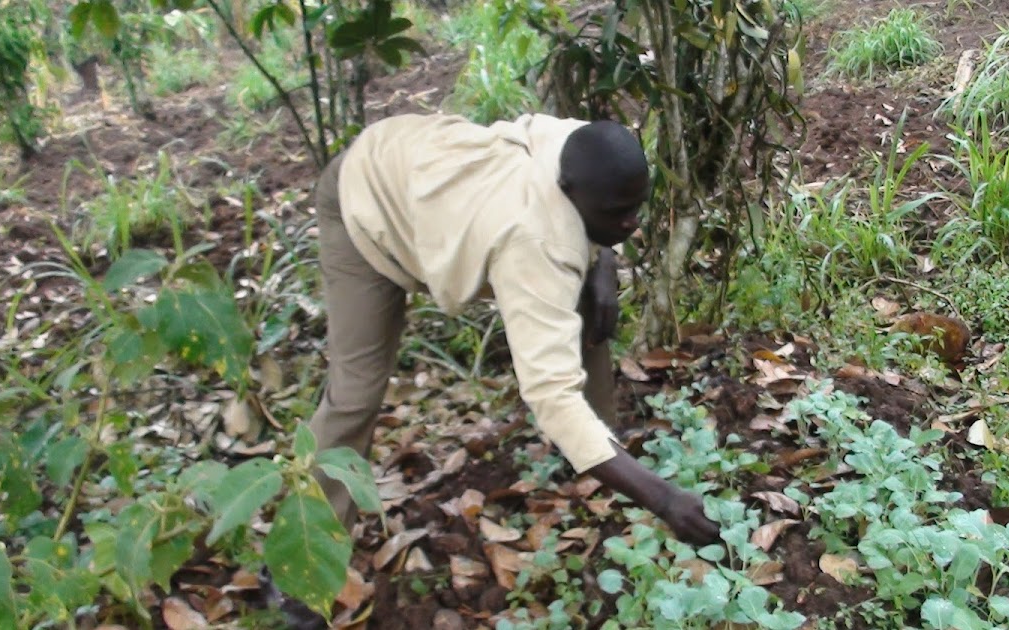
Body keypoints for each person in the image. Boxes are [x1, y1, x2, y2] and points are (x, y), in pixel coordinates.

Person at [273, 112, 720, 627]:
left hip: (420, 168)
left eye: (637, 208)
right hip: (366, 198)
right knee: (355, 395)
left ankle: (601, 447)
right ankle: (297, 572)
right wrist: (663, 499)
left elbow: (564, 151)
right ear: (569, 189)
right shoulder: (535, 242)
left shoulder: (569, 146)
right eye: (617, 214)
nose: (631, 225)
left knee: (587, 302)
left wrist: (602, 264)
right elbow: (551, 396)